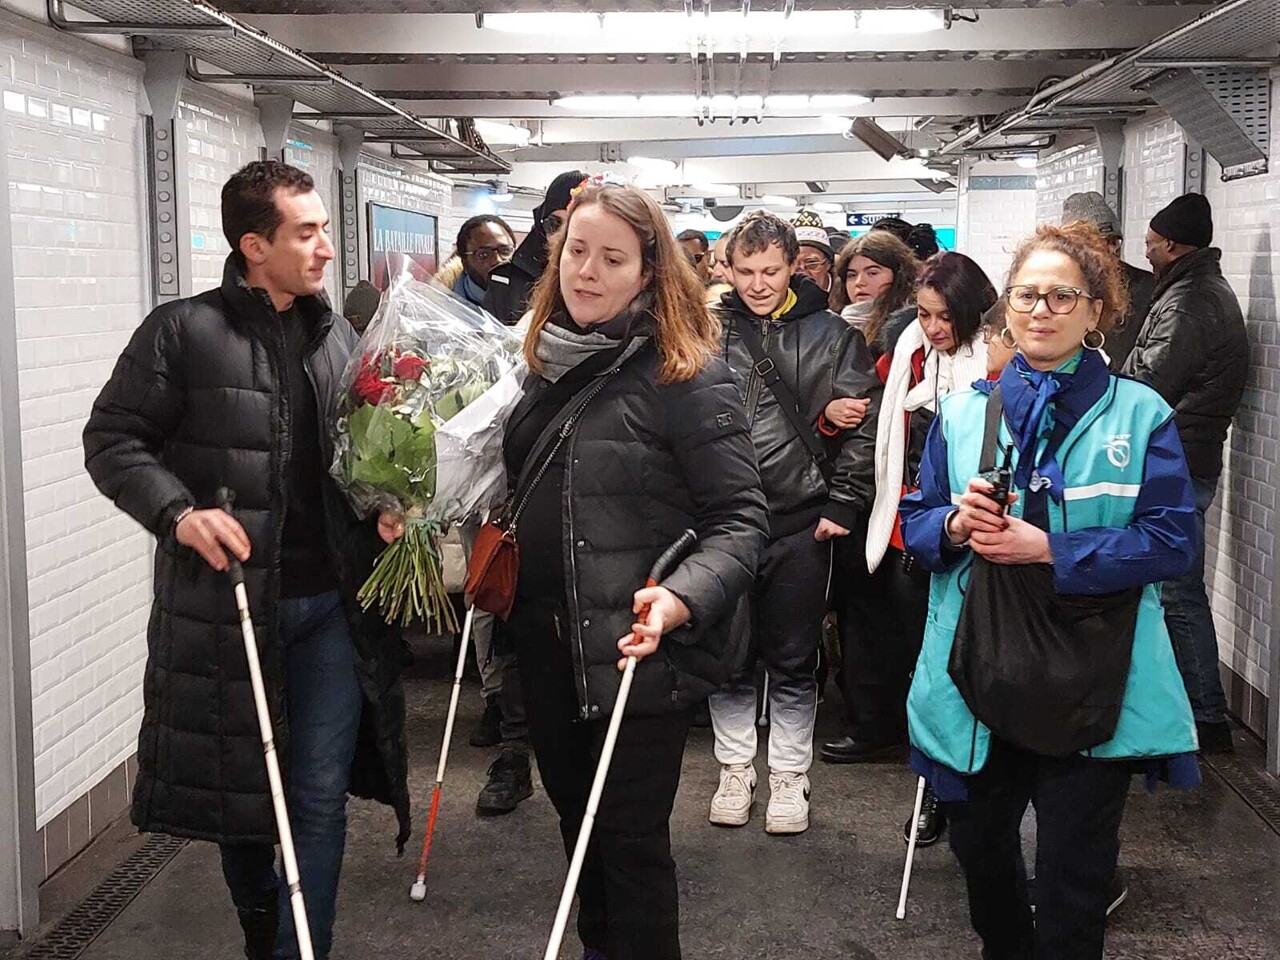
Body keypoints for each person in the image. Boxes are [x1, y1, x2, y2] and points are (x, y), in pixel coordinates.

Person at [82, 160, 409, 960]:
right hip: (228, 608)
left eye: (325, 229)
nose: (328, 248)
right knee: (243, 801)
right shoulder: (182, 332)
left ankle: (307, 949)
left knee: (318, 796)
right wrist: (179, 512)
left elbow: (352, 465)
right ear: (253, 245)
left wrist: (386, 505)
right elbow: (112, 441)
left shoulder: (342, 339)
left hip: (332, 605)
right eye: (307, 233)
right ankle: (262, 919)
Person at [902, 221, 1200, 960]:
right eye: (1026, 295)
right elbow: (916, 524)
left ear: (1096, 310)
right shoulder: (966, 411)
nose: (1040, 310)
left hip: (1094, 675)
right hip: (978, 669)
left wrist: (1051, 549)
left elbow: (1173, 541)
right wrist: (955, 525)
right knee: (980, 853)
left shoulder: (1141, 415)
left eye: (1061, 296)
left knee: (1074, 875)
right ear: (1006, 306)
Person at [498, 177, 768, 959]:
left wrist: (682, 599)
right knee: (577, 835)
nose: (588, 271)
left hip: (636, 654)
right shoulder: (536, 364)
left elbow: (741, 521)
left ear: (648, 272)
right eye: (576, 252)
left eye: (611, 258)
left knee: (629, 845)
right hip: (544, 648)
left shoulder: (686, 374)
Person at [707, 211, 880, 835]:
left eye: (770, 271)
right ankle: (734, 768)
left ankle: (787, 776)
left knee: (792, 655)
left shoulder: (835, 337)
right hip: (720, 522)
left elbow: (862, 427)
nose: (757, 284)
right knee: (726, 655)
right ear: (728, 268)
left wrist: (843, 503)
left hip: (801, 518)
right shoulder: (704, 331)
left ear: (794, 267)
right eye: (746, 271)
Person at [823, 254, 996, 851]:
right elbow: (883, 422)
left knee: (960, 669)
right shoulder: (911, 352)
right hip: (910, 519)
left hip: (977, 535)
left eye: (945, 317)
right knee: (919, 665)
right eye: (924, 314)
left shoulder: (1000, 364)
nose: (933, 327)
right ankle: (934, 791)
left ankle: (965, 795)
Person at [1122, 192, 1248, 754]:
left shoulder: (1189, 301)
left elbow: (1151, 383)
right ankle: (1190, 711)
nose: (1145, 252)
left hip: (1178, 462)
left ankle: (1205, 718)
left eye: (1150, 243)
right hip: (1185, 457)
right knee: (1174, 587)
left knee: (1176, 590)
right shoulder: (1191, 291)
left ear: (1172, 244)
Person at [1061, 191, 1154, 372]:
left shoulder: (1146, 287)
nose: (1110, 249)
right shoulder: (1052, 286)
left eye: (1114, 241)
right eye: (1099, 242)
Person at [483, 169, 586, 324]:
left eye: (575, 226)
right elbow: (489, 342)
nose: (562, 237)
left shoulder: (606, 282)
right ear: (541, 224)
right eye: (555, 224)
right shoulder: (505, 281)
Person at [827, 229, 921, 359]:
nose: (859, 282)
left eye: (872, 273)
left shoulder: (909, 330)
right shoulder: (830, 325)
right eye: (852, 275)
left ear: (898, 276)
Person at [435, 214, 516, 308]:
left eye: (505, 251)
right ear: (464, 263)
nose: (497, 260)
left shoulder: (531, 303)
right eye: (483, 254)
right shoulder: (442, 309)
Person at [791, 209, 836, 293]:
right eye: (794, 264)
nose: (802, 271)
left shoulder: (846, 294)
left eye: (811, 263)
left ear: (828, 264)